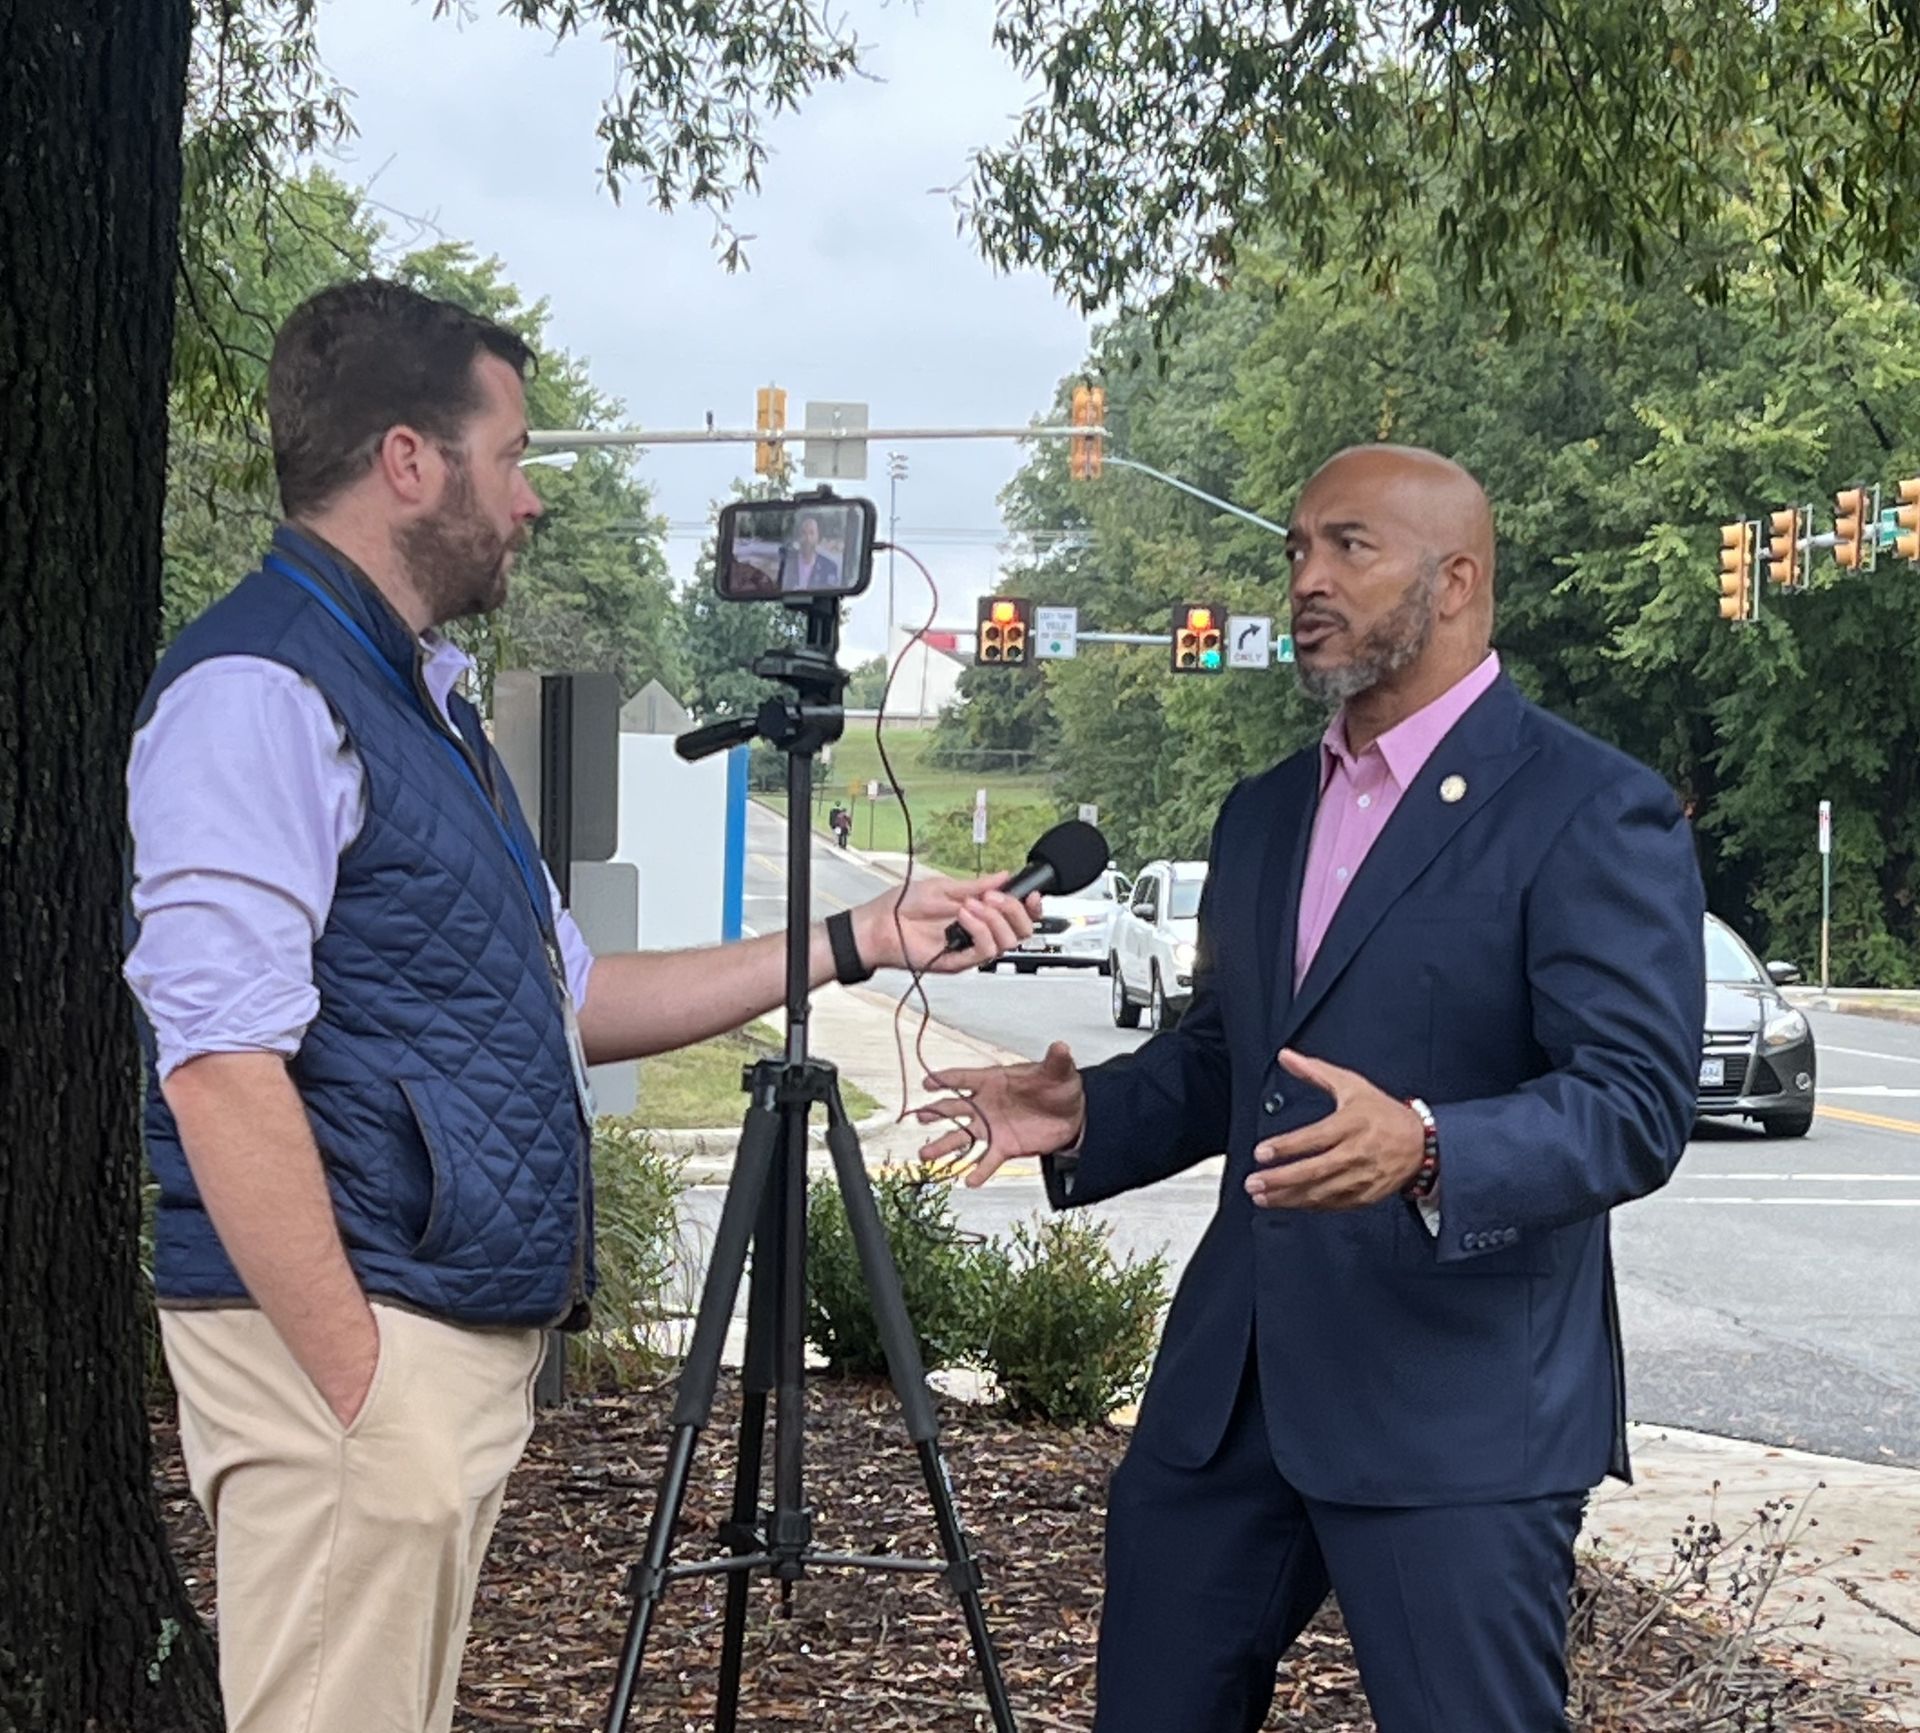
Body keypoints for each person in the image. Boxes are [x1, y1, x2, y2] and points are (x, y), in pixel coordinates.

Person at [123, 278, 1038, 1733]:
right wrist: (363, 1387)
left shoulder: (413, 702)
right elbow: (220, 1062)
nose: (532, 497)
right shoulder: (262, 691)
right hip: (353, 1354)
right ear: (410, 461)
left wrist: (859, 936)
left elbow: (581, 994)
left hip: (415, 1343)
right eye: (512, 456)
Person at [919, 444, 1705, 1733]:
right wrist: (1090, 1113)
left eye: (1350, 546)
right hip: (1228, 1400)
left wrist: (1432, 1144)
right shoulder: (1266, 813)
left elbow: (1634, 1101)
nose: (1306, 579)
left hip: (1454, 1409)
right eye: (1296, 548)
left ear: (1456, 582)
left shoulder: (1587, 807)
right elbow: (1231, 1056)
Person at [779, 510, 841, 593]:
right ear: (798, 536)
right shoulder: (787, 562)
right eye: (804, 533)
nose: (807, 538)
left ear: (818, 536)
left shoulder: (829, 567)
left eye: (812, 533)